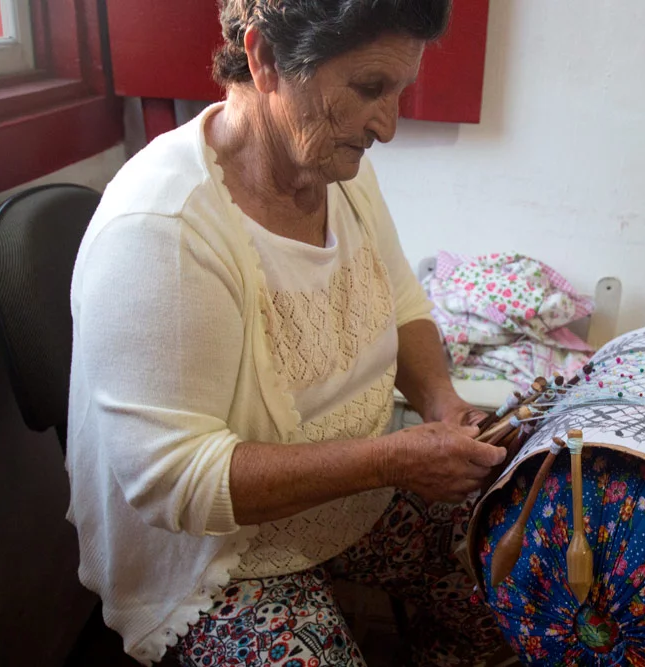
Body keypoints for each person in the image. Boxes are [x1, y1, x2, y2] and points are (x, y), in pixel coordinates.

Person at [65, 1, 507, 665]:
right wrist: (392, 457)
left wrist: (442, 402)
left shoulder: (338, 170)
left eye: (398, 90)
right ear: (267, 58)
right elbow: (173, 480)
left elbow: (404, 301)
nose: (387, 124)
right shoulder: (164, 227)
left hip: (344, 490)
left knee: (505, 558)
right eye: (368, 88)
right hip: (214, 554)